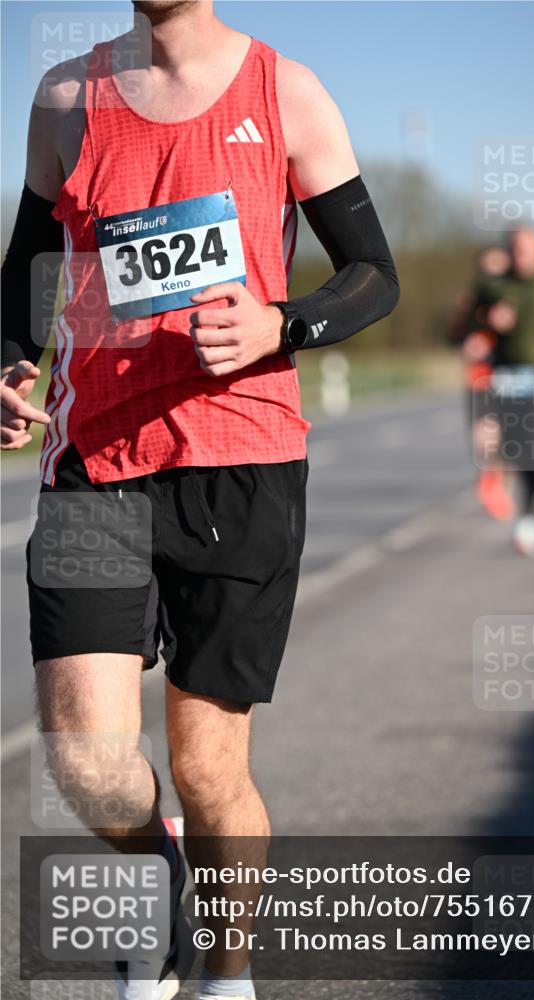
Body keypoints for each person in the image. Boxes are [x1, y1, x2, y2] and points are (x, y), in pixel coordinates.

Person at [0, 3, 399, 999]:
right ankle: (156, 890)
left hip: (240, 458)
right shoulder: (65, 98)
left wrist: (282, 324)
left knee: (208, 767)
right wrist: (10, 361)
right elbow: (25, 274)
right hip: (94, 459)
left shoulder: (286, 92)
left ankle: (224, 971)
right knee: (87, 757)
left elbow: (372, 277)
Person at [468, 226, 534, 556]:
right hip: (504, 374)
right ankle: (519, 502)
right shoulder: (494, 285)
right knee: (511, 445)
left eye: (527, 248)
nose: (521, 254)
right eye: (515, 248)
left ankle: (529, 518)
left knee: (530, 447)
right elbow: (463, 324)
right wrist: (487, 319)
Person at [452, 246, 515, 521]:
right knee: (483, 436)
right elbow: (454, 334)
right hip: (480, 375)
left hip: (512, 374)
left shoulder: (515, 299)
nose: (493, 274)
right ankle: (490, 483)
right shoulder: (470, 301)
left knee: (510, 438)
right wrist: (468, 344)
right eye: (489, 267)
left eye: (499, 267)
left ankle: (500, 482)